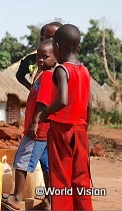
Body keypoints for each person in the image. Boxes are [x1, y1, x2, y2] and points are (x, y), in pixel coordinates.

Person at [39, 24, 93, 211]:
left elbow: (62, 100)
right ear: (77, 47)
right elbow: (89, 105)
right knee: (81, 178)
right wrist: (84, 127)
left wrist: (44, 113)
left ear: (57, 47)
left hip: (61, 130)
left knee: (61, 180)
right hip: (80, 130)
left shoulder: (62, 70)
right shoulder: (85, 71)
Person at [2, 39, 56, 211]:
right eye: (38, 56)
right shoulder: (43, 75)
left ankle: (17, 198)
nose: (40, 60)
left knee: (21, 161)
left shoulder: (47, 76)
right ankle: (48, 201)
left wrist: (34, 122)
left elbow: (43, 102)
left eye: (45, 56)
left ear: (55, 57)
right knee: (48, 167)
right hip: (45, 131)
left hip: (37, 130)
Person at [16, 22, 63, 91]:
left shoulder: (64, 60)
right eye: (47, 37)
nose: (50, 40)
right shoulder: (32, 60)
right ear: (42, 39)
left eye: (54, 37)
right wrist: (32, 89)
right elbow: (19, 76)